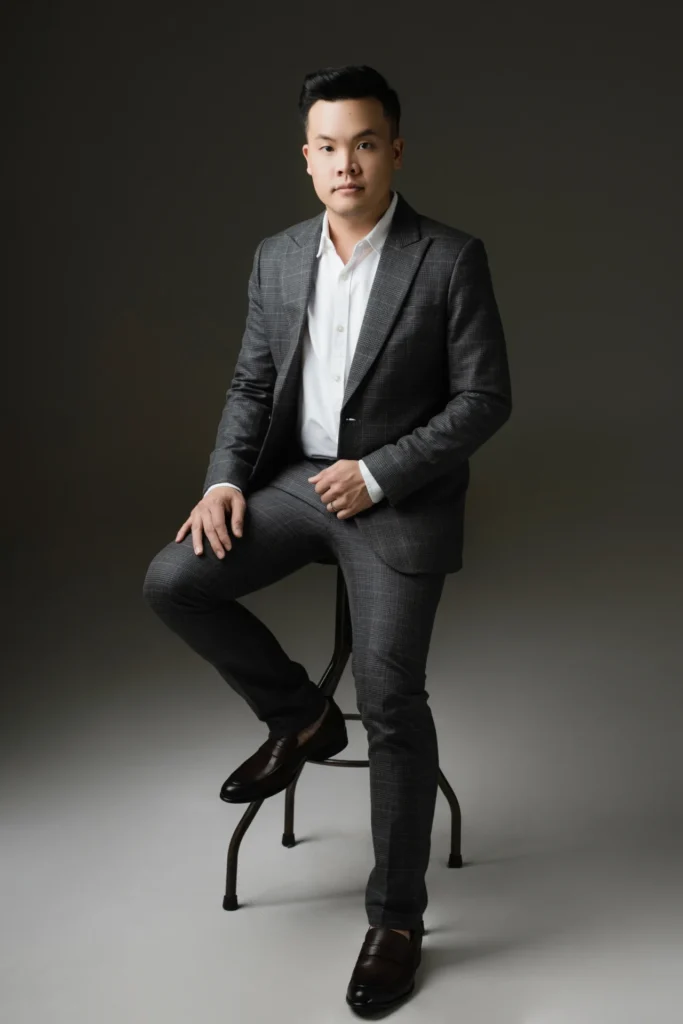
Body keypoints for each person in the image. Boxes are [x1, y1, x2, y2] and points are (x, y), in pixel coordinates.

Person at [143, 64, 512, 1016]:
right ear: (306, 159)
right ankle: (302, 717)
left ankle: (396, 921)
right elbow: (251, 385)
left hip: (396, 500)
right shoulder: (276, 256)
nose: (346, 163)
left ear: (394, 151)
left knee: (392, 699)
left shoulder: (448, 257)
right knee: (173, 581)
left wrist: (380, 472)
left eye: (364, 143)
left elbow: (484, 398)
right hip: (295, 486)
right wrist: (224, 481)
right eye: (328, 146)